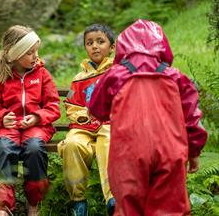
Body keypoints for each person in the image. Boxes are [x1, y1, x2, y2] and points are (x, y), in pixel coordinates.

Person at [88, 19, 208, 215]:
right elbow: (193, 120)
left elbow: (97, 110)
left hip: (128, 153)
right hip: (170, 152)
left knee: (129, 208)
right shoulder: (175, 77)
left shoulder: (115, 76)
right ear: (161, 46)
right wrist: (194, 151)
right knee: (170, 209)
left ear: (123, 46)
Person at [0, 25, 61, 216]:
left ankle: (33, 203)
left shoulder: (42, 75)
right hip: (9, 129)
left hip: (37, 128)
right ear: (15, 55)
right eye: (29, 52)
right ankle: (1, 207)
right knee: (4, 148)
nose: (35, 56)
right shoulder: (0, 79)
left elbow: (53, 107)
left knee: (34, 148)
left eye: (36, 51)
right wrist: (3, 117)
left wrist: (37, 117)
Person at [57, 23, 116, 216]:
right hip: (84, 128)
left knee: (109, 143)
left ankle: (113, 198)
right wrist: (85, 115)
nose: (95, 46)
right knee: (72, 144)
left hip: (109, 126)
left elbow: (124, 100)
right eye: (89, 43)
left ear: (112, 47)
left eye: (100, 41)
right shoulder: (79, 78)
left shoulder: (116, 73)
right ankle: (78, 202)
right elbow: (72, 106)